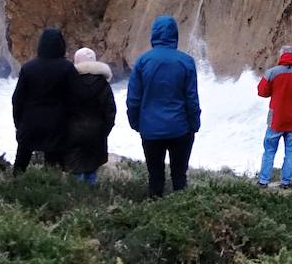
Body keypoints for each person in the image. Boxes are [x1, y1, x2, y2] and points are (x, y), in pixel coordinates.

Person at [127, 15, 201, 198]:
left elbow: (133, 99)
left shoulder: (142, 61)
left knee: (155, 177)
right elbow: (192, 99)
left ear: (154, 34)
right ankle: (182, 217)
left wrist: (136, 123)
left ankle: (155, 214)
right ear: (175, 35)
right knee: (179, 177)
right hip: (180, 129)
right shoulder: (186, 61)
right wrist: (194, 124)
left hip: (150, 130)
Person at [11, 28, 78, 172]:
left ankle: (14, 190)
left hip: (30, 123)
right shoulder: (67, 68)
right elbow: (75, 98)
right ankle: (50, 191)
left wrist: (19, 123)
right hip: (57, 125)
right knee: (54, 168)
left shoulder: (29, 68)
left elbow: (17, 99)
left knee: (21, 164)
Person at [256, 46, 292, 189]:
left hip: (276, 118)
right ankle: (286, 182)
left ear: (281, 55)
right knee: (290, 151)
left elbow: (262, 92)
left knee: (269, 150)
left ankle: (263, 181)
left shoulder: (271, 72)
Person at [64, 47, 117, 185]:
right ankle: (92, 198)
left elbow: (63, 109)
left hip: (73, 133)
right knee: (91, 168)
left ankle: (78, 200)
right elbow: (110, 111)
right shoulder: (103, 84)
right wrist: (105, 131)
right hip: (97, 133)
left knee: (76, 169)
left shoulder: (69, 83)